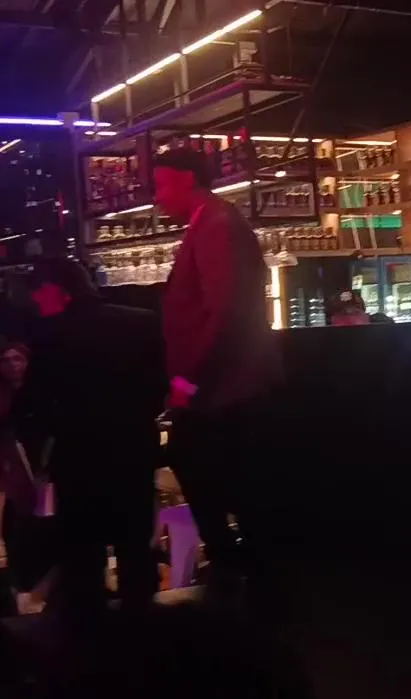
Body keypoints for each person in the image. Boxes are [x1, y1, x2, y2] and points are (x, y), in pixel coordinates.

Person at [152, 148, 284, 602]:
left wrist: (187, 381)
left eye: (162, 185)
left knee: (207, 470)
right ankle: (246, 574)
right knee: (225, 478)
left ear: (188, 179)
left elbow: (223, 311)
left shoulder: (216, 224)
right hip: (225, 386)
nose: (157, 197)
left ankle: (245, 575)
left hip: (224, 388)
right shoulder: (210, 222)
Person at [24, 260, 166, 616]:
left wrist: (55, 431)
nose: (36, 304)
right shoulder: (143, 321)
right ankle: (144, 623)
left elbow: (37, 400)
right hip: (133, 446)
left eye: (38, 296)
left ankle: (89, 631)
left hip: (78, 454)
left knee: (83, 548)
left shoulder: (50, 333)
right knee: (135, 540)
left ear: (55, 290)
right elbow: (168, 384)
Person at [0, 339, 57, 616]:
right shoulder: (4, 397)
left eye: (18, 359)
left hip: (40, 470)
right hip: (12, 472)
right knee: (15, 529)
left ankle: (37, 592)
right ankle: (21, 590)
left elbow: (50, 432)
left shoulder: (39, 394)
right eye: (6, 360)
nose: (13, 364)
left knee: (38, 528)